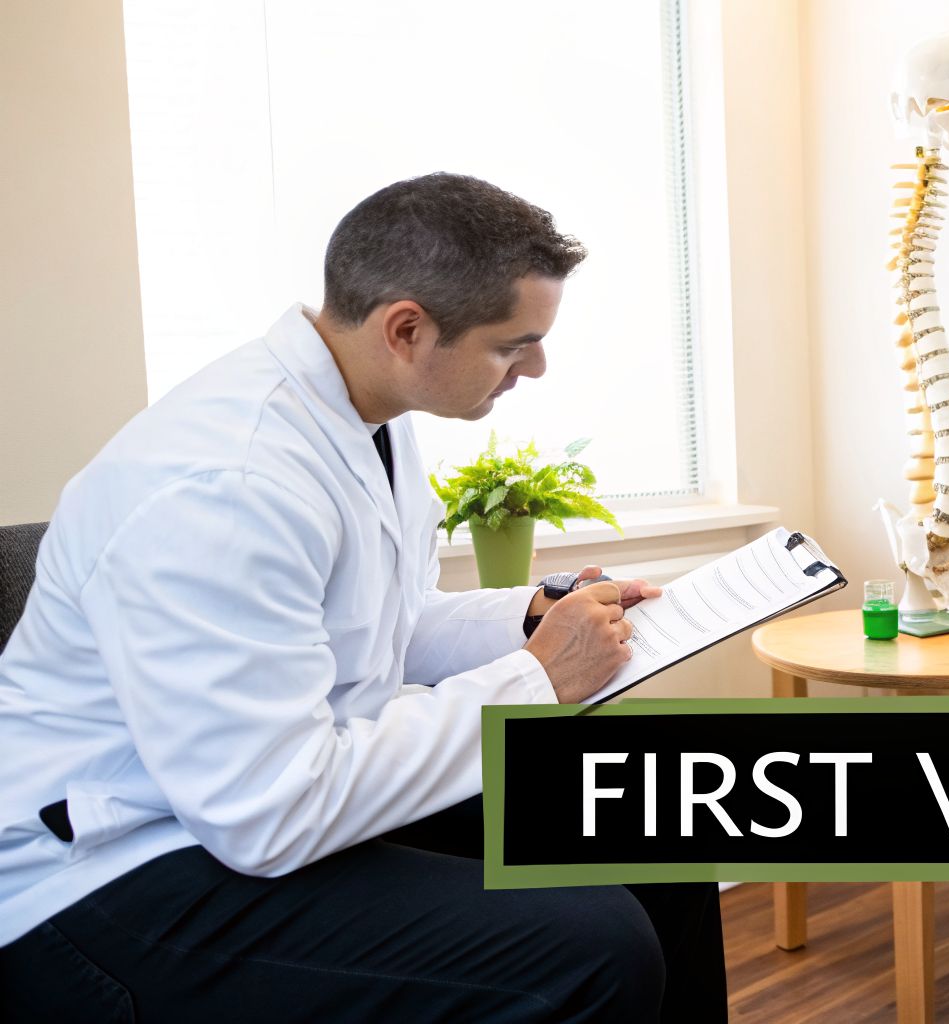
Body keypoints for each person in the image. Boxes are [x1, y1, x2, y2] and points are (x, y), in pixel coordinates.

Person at [0, 173, 724, 1021]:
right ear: (408, 329)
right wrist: (537, 680)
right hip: (114, 872)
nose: (536, 367)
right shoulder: (225, 485)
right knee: (592, 946)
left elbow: (380, 624)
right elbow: (269, 812)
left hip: (251, 806)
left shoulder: (367, 415)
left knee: (644, 814)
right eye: (511, 344)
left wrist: (528, 618)